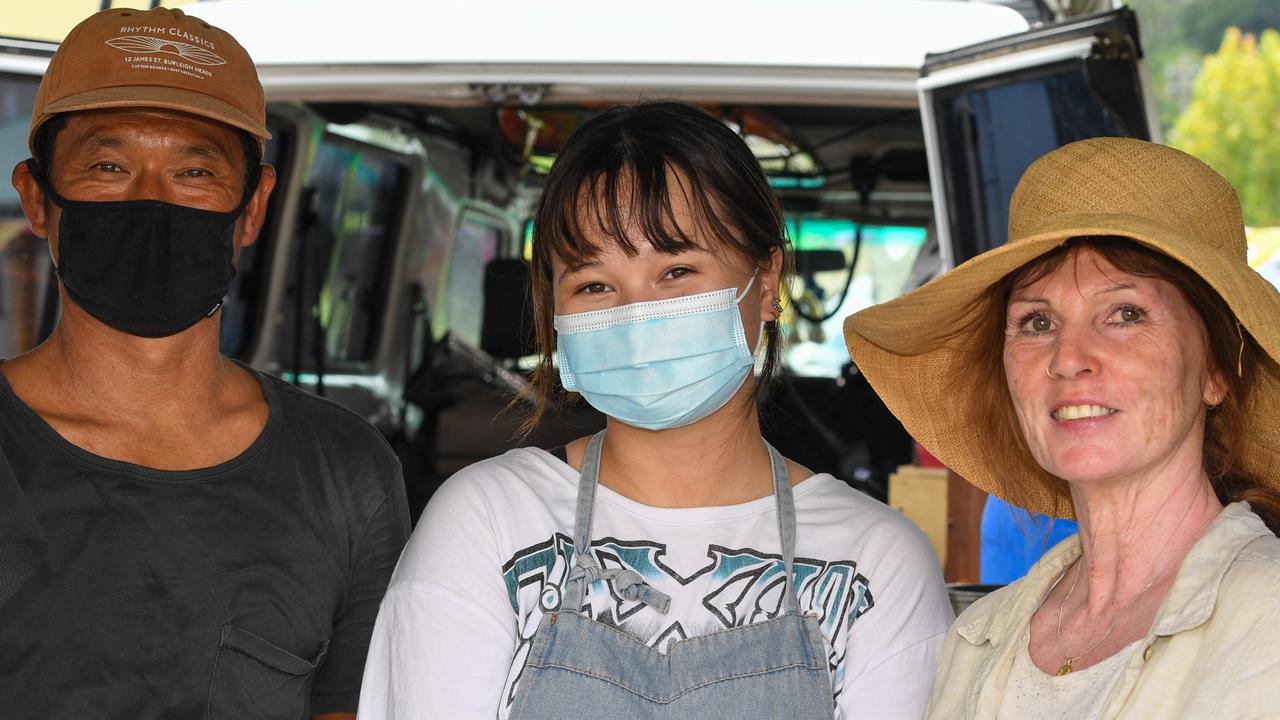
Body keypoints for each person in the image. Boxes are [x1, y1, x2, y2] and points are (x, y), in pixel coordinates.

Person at [357, 101, 953, 719]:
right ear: (554, 311)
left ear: (767, 282)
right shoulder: (487, 521)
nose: (634, 313)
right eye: (593, 284)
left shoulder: (877, 562)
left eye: (676, 270)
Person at [0, 8, 409, 718]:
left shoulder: (348, 474)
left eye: (194, 170)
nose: (150, 200)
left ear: (253, 209)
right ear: (37, 196)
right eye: (108, 165)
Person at [844, 137, 1280, 718]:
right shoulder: (980, 636)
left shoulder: (1265, 617)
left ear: (1216, 371)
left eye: (1125, 314)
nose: (1069, 357)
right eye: (1037, 321)